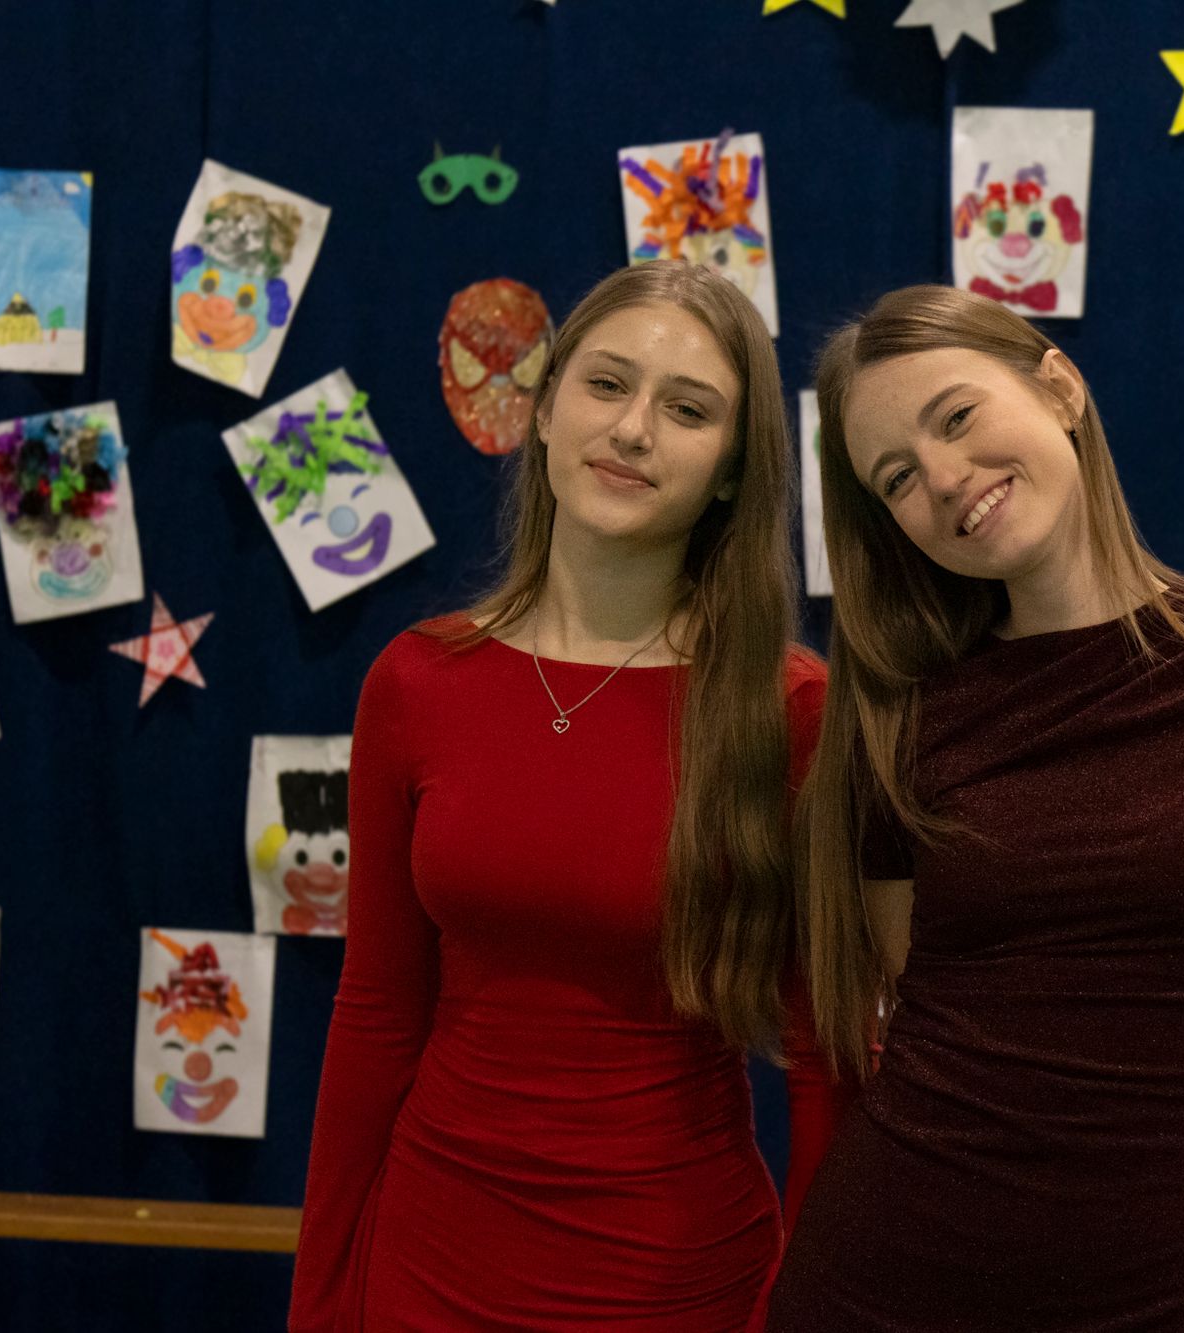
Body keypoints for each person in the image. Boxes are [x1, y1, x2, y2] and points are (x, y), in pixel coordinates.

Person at [769, 286, 1184, 1333]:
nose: (944, 477)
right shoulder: (898, 720)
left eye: (956, 416)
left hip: (1168, 1292)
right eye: (897, 478)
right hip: (886, 1280)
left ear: (1057, 385)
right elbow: (918, 1014)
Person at [290, 261, 850, 1332]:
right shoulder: (417, 681)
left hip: (682, 1286)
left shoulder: (789, 710)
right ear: (542, 410)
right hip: (424, 1270)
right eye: (606, 384)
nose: (632, 429)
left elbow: (826, 1063)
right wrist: (319, 1304)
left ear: (730, 471)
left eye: (687, 410)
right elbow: (375, 1014)